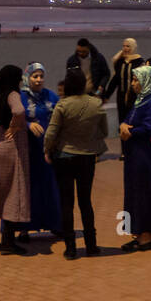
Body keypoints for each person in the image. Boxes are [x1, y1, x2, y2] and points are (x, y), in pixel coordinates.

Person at [45, 68, 109, 258]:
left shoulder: (63, 105)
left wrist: (47, 150)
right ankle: (91, 245)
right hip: (87, 157)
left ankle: (71, 248)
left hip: (64, 156)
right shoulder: (96, 104)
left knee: (67, 203)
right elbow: (103, 131)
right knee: (85, 201)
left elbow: (51, 133)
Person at [0, 65, 31, 254]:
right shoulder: (12, 94)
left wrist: (0, 125)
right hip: (11, 148)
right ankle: (8, 243)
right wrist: (15, 126)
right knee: (13, 191)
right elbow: (19, 111)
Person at [119, 66, 151, 251]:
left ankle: (147, 236)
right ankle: (138, 233)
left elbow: (149, 128)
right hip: (135, 157)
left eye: (136, 80)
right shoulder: (140, 101)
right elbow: (129, 120)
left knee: (146, 194)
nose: (133, 84)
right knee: (135, 194)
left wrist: (129, 131)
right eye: (132, 80)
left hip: (146, 159)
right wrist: (125, 126)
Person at [16, 63, 61, 241]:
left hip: (48, 149)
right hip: (28, 149)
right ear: (28, 78)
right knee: (28, 188)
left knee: (50, 186)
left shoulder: (50, 95)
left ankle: (55, 224)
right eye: (35, 76)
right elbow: (13, 118)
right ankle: (24, 228)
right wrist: (28, 124)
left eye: (41, 76)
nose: (39, 80)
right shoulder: (20, 97)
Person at [104, 38, 143, 131]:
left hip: (134, 97)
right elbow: (115, 80)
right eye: (124, 46)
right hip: (121, 96)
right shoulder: (120, 62)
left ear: (133, 47)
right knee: (122, 123)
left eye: (128, 46)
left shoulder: (139, 61)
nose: (125, 48)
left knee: (133, 123)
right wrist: (106, 96)